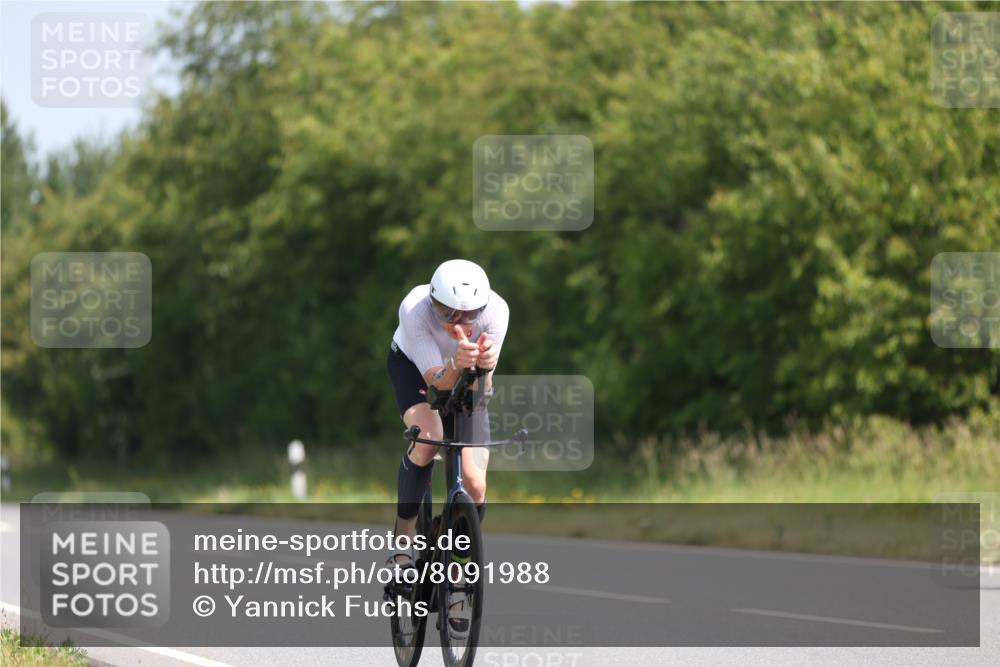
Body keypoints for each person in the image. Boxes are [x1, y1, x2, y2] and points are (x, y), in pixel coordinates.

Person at [386, 259, 509, 557]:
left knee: (475, 484)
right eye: (447, 312)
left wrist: (484, 368)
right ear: (432, 301)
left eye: (470, 314)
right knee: (429, 438)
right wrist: (455, 363)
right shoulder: (414, 309)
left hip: (465, 371)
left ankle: (457, 559)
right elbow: (436, 385)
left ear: (483, 307)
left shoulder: (496, 311)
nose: (458, 322)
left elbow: (482, 393)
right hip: (413, 367)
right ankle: (404, 536)